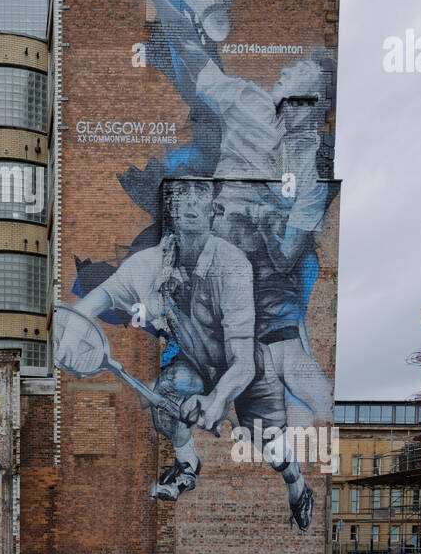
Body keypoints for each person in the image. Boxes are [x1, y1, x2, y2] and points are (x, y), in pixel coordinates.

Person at [55, 180, 314, 528]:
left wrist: (217, 401)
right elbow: (91, 303)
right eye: (181, 195)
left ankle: (297, 486)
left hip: (246, 367)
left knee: (272, 449)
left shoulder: (232, 265)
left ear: (214, 211)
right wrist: (68, 339)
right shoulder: (146, 266)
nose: (190, 201)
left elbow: (243, 362)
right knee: (165, 399)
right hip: (195, 362)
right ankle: (187, 464)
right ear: (171, 210)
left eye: (200, 194)